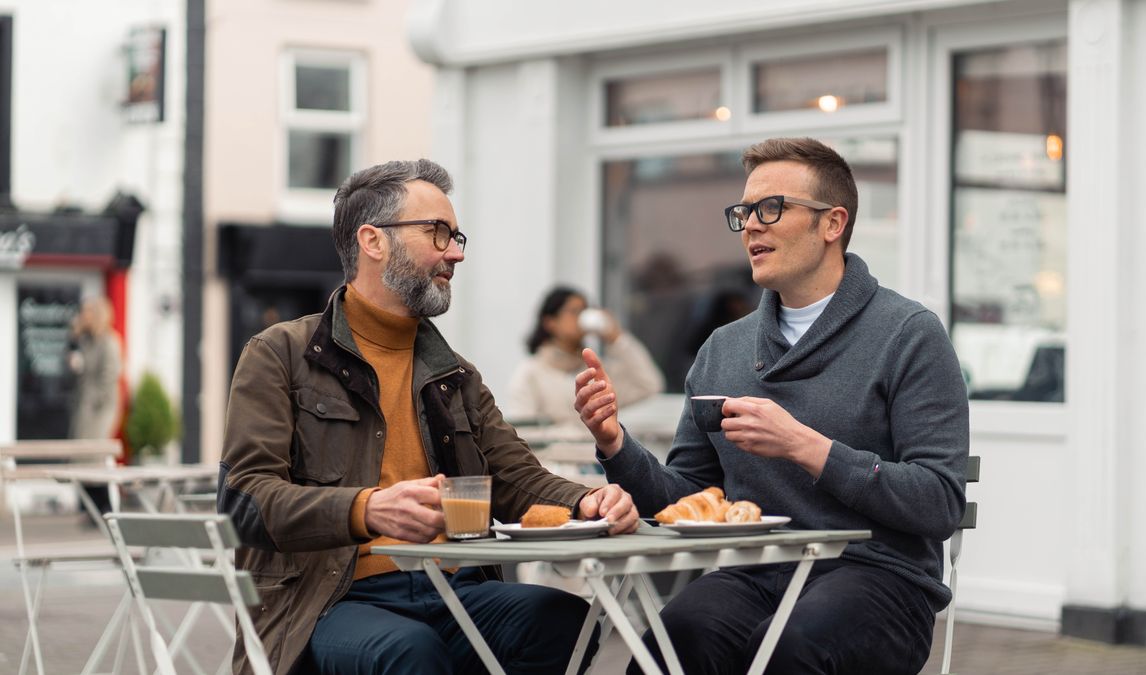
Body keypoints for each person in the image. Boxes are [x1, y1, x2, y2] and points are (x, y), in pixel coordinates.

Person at [218, 159, 640, 675]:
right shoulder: (279, 353)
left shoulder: (455, 374)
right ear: (373, 241)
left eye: (457, 236)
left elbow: (515, 477)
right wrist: (365, 510)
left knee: (562, 618)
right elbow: (244, 502)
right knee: (409, 651)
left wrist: (586, 498)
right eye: (438, 234)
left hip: (453, 586)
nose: (456, 253)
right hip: (329, 599)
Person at [574, 137, 969, 675]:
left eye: (771, 208)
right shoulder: (724, 349)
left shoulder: (909, 335)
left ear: (832, 224)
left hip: (881, 578)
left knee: (789, 647)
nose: (751, 226)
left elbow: (939, 502)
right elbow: (687, 497)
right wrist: (614, 443)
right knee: (666, 647)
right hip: (756, 572)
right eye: (744, 212)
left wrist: (805, 446)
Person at [507, 286, 664, 427]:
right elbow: (523, 431)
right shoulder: (530, 373)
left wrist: (617, 339)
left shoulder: (597, 372)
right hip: (551, 459)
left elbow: (649, 384)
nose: (580, 318)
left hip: (598, 458)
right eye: (574, 312)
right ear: (550, 322)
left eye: (584, 311)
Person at [67, 296, 123, 516]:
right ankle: (89, 507)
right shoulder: (85, 340)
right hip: (84, 406)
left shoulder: (109, 341)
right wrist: (74, 334)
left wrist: (96, 401)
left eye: (88, 312)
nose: (84, 316)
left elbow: (110, 376)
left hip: (101, 408)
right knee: (82, 455)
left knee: (95, 454)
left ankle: (104, 506)